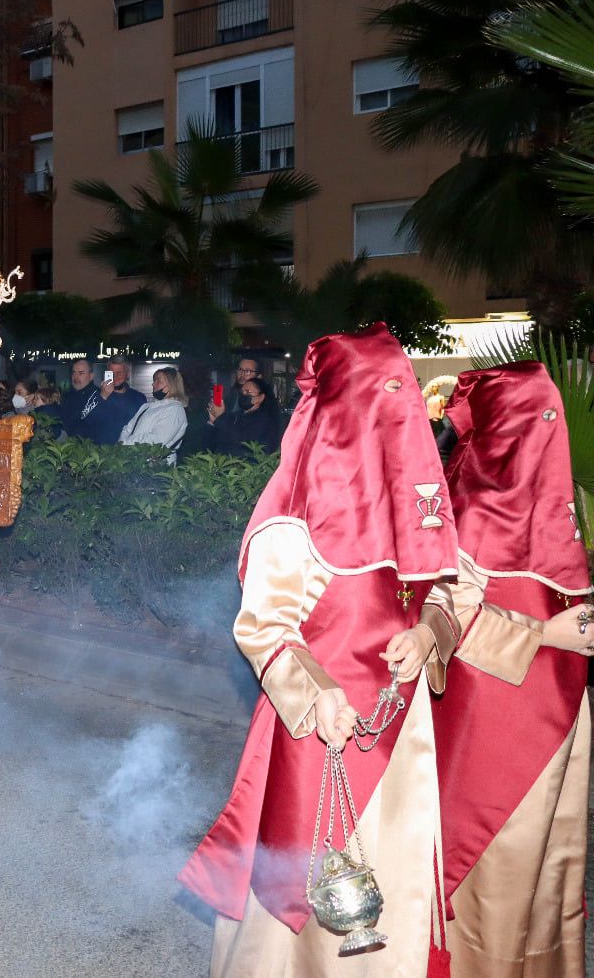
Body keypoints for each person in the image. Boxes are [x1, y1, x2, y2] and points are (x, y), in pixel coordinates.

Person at [179, 324, 459, 977]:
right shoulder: (297, 510)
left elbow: (446, 596)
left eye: (405, 397)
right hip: (322, 738)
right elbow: (263, 625)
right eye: (385, 396)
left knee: (401, 894)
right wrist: (316, 692)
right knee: (305, 920)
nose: (402, 415)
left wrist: (428, 636)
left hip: (405, 740)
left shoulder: (413, 503)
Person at [424, 364, 593, 976]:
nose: (553, 428)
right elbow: (443, 616)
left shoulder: (555, 500)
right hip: (493, 712)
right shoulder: (466, 502)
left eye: (556, 416)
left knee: (550, 856)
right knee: (496, 857)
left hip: (559, 701)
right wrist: (547, 633)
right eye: (540, 415)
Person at [119, 365, 189, 460]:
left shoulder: (175, 409)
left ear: (170, 385)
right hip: (134, 461)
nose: (153, 384)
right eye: (154, 380)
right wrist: (123, 443)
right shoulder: (147, 406)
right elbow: (128, 428)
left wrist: (127, 443)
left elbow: (157, 439)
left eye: (158, 381)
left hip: (157, 466)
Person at [208, 377, 282, 456]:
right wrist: (212, 423)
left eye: (248, 392)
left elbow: (241, 440)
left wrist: (220, 418)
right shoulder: (235, 415)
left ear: (261, 397)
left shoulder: (265, 419)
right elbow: (214, 442)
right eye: (242, 391)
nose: (243, 394)